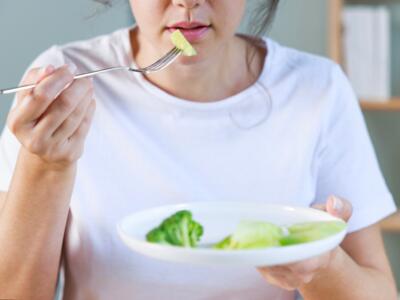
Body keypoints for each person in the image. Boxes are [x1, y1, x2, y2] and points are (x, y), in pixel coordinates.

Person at [0, 0, 398, 299]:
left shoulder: (319, 89)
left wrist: (323, 261)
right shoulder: (63, 87)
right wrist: (44, 166)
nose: (188, 2)